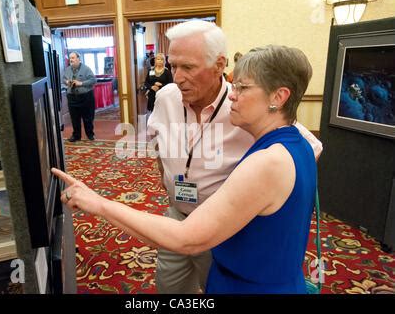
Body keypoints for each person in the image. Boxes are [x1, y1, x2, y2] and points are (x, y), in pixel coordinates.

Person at [52, 43, 320, 294]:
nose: (233, 96)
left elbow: (186, 239)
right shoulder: (296, 146)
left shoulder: (269, 161)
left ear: (278, 97)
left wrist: (98, 203)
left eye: (243, 88)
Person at [63, 51, 97, 142]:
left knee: (88, 118)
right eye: (70, 58)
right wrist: (67, 82)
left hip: (85, 97)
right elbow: (64, 79)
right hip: (72, 97)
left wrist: (81, 83)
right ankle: (76, 136)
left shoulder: (86, 69)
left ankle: (90, 134)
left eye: (73, 58)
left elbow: (93, 80)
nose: (71, 60)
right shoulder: (67, 69)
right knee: (74, 118)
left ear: (78, 59)